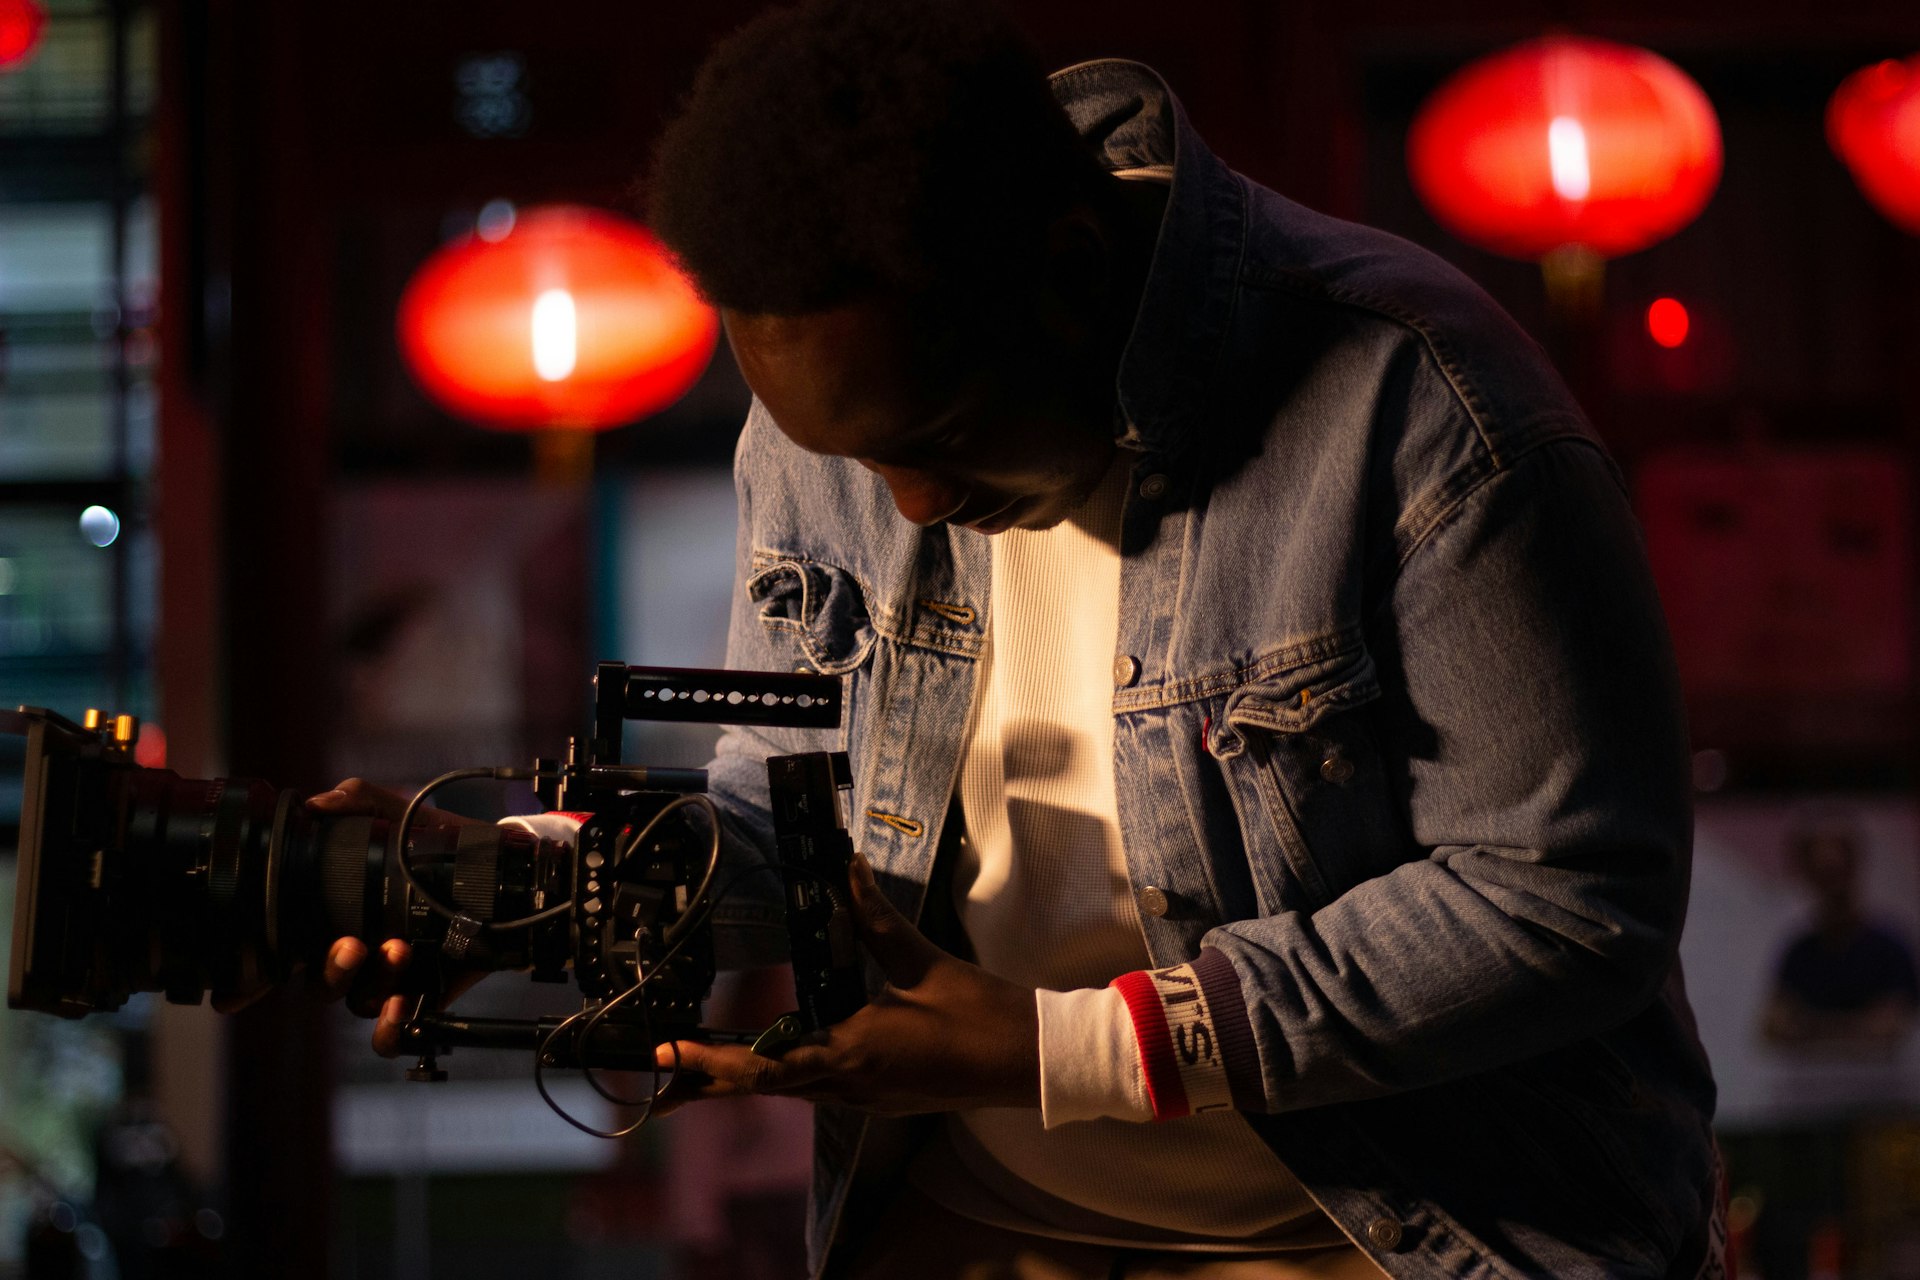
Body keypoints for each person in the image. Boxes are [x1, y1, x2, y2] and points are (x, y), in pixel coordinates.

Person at [323, 2, 1722, 1276]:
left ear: (1067, 270)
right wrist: (526, 883)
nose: (906, 506)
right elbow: (792, 825)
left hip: (1404, 1230)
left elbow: (1564, 897)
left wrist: (1083, 1047)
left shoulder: (1419, 405)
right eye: (851, 460)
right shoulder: (829, 409)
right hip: (985, 1214)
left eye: (934, 439)